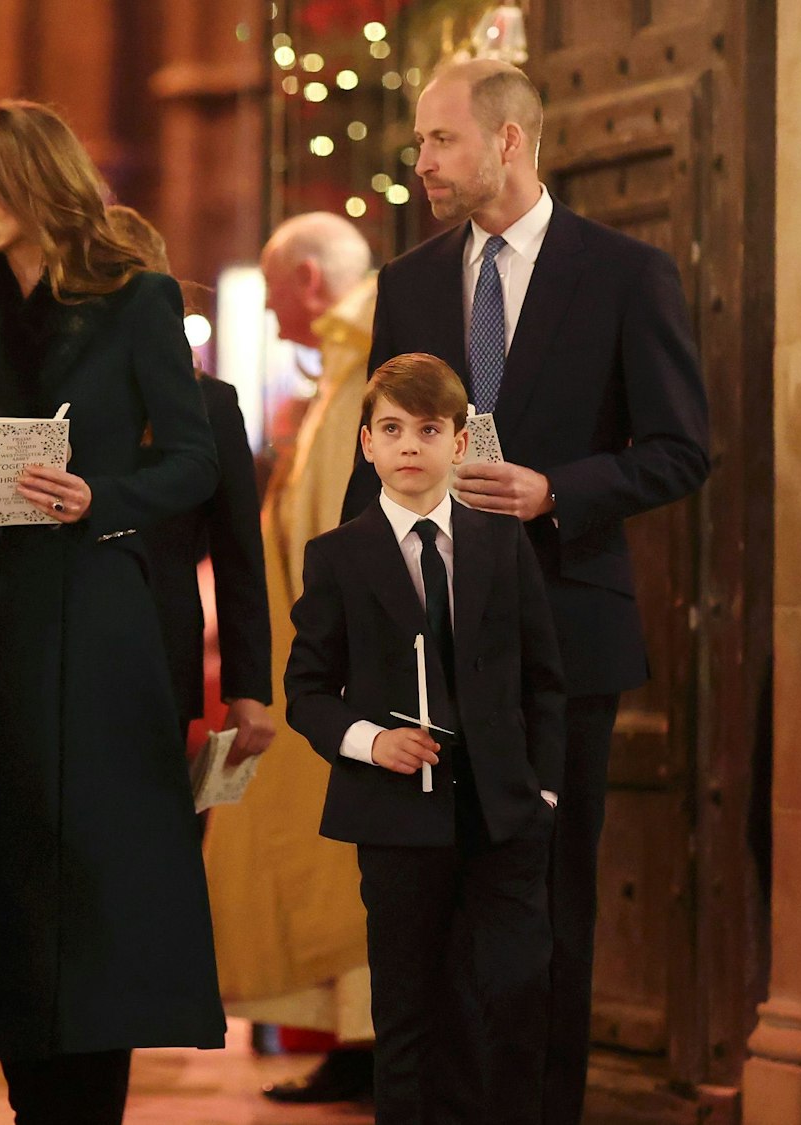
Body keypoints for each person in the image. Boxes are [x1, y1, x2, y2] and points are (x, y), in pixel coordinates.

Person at [339, 60, 710, 1123]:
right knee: (430, 910)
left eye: (438, 141)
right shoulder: (408, 284)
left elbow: (680, 451)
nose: (420, 164)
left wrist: (557, 489)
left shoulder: (624, 273)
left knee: (544, 907)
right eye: (417, 143)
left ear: (508, 141)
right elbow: (371, 463)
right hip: (424, 646)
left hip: (562, 639)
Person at [0, 100, 225, 1124]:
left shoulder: (137, 298)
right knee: (10, 869)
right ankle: (28, 1104)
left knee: (102, 877)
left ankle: (89, 1106)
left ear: (27, 179)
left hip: (102, 616)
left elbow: (192, 458)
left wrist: (104, 494)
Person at [290, 352, 565, 1123]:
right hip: (396, 819)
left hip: (506, 813)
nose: (411, 445)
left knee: (512, 998)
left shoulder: (501, 543)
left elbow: (544, 677)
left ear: (461, 444)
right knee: (408, 1012)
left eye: (430, 429)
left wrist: (541, 790)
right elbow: (306, 692)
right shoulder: (337, 557)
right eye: (392, 429)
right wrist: (371, 742)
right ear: (367, 444)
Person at [203, 212, 379, 1105]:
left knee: (349, 866)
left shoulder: (372, 361)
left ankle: (374, 1041)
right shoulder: (341, 370)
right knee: (325, 864)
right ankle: (354, 1038)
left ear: (310, 279)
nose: (272, 321)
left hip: (348, 668)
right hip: (318, 661)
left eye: (274, 299)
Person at [103, 205, 274, 752]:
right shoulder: (56, 400)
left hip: (161, 648)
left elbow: (238, 550)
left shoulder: (208, 403)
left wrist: (247, 689)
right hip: (67, 646)